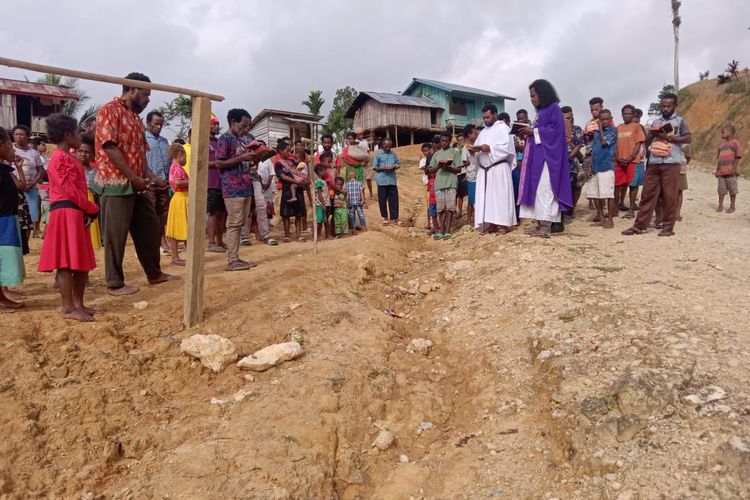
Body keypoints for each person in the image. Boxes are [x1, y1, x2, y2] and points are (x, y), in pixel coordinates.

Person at [93, 72, 175, 295]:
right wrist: (133, 178)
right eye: (146, 94)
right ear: (132, 90)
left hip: (137, 184)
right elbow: (110, 148)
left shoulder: (136, 119)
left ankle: (154, 273)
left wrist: (153, 179)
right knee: (116, 236)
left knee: (151, 227)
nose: (148, 99)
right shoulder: (109, 110)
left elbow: (139, 156)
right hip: (115, 184)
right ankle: (114, 283)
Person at [38, 114, 99, 322]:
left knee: (80, 261)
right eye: (75, 132)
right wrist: (91, 207)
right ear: (67, 135)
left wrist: (86, 210)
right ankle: (67, 307)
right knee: (66, 262)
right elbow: (70, 191)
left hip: (76, 212)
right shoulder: (59, 158)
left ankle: (79, 303)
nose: (79, 136)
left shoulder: (68, 158)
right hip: (66, 212)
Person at [623, 92, 692, 237]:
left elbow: (688, 138)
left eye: (669, 106)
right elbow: (647, 141)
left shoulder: (680, 121)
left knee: (669, 196)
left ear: (675, 106)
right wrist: (651, 135)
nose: (666, 109)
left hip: (671, 163)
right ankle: (639, 226)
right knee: (647, 195)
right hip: (654, 162)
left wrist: (670, 138)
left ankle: (668, 227)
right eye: (663, 106)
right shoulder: (655, 122)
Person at [518, 80, 572, 237]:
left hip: (548, 159)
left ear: (542, 93)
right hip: (538, 157)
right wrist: (527, 131)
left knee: (545, 190)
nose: (532, 99)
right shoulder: (541, 111)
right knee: (539, 190)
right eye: (530, 96)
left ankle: (546, 226)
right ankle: (541, 223)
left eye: (534, 95)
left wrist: (533, 131)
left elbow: (555, 132)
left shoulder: (554, 109)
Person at [215, 108, 259, 270]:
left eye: (248, 126)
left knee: (239, 223)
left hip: (245, 186)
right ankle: (232, 260)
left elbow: (244, 161)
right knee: (234, 223)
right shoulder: (224, 139)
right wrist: (242, 157)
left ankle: (236, 258)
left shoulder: (241, 140)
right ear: (233, 122)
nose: (246, 129)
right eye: (243, 126)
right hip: (232, 188)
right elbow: (219, 163)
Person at [472, 105, 517, 235]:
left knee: (500, 197)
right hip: (484, 170)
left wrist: (491, 148)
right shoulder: (483, 132)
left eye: (488, 117)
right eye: (484, 118)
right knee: (488, 198)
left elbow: (508, 149)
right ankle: (491, 224)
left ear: (495, 115)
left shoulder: (504, 129)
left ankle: (503, 225)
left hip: (498, 168)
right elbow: (478, 148)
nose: (485, 120)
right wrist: (473, 151)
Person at [0, 127, 26, 312]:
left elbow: (20, 186)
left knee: (6, 258)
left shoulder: (4, 169)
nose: (13, 148)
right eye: (9, 144)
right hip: (2, 220)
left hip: (8, 218)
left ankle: (2, 296)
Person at [143, 110, 171, 254]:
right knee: (150, 216)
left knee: (162, 215)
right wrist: (154, 179)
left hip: (164, 184)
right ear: (148, 123)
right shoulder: (142, 139)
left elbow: (170, 161)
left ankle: (162, 241)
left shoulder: (165, 141)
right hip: (149, 184)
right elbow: (142, 164)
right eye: (156, 124)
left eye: (161, 124)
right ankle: (148, 245)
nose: (159, 127)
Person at [585, 109, 618, 229]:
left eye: (606, 119)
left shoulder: (613, 131)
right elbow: (592, 150)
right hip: (595, 167)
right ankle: (602, 218)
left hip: (606, 166)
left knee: (608, 194)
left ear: (610, 119)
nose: (604, 121)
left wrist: (599, 129)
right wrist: (589, 166)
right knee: (595, 194)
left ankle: (610, 220)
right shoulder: (596, 134)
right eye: (602, 119)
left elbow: (605, 143)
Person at [12, 125, 44, 239]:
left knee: (31, 214)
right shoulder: (10, 149)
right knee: (16, 215)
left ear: (27, 136)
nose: (19, 137)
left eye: (22, 134)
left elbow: (40, 169)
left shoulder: (33, 153)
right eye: (16, 134)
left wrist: (33, 182)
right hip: (14, 188)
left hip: (31, 188)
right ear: (13, 136)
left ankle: (26, 242)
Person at [428, 131, 462, 239]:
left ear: (450, 141)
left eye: (446, 141)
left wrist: (448, 167)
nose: (444, 143)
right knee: (441, 209)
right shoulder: (436, 154)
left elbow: (459, 169)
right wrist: (438, 167)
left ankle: (447, 230)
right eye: (442, 141)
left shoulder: (455, 152)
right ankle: (440, 230)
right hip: (439, 183)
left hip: (451, 182)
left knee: (450, 208)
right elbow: (430, 169)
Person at [615, 105, 646, 218]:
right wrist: (617, 157)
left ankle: (631, 209)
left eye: (629, 114)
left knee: (633, 185)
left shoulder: (636, 126)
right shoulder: (618, 127)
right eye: (625, 113)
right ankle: (615, 208)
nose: (627, 115)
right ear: (622, 114)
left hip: (633, 161)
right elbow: (615, 144)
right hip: (619, 161)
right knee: (617, 185)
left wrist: (631, 157)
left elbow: (639, 143)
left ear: (633, 115)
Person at [275, 140, 307, 242]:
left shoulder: (294, 162)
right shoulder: (278, 164)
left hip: (298, 190)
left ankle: (298, 235)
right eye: (287, 150)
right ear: (280, 151)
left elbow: (301, 172)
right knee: (286, 214)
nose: (289, 153)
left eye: (290, 150)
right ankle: (287, 234)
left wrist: (303, 181)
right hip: (287, 190)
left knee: (298, 214)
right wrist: (296, 181)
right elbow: (283, 176)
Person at [76, 133, 102, 250]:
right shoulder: (72, 170)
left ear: (92, 155)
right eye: (80, 151)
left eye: (87, 152)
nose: (83, 154)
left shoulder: (97, 173)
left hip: (92, 205)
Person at [206, 114, 227, 252]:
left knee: (223, 213)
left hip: (222, 183)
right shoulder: (203, 141)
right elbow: (203, 162)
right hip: (211, 183)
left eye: (217, 124)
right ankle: (211, 242)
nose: (216, 126)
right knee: (213, 213)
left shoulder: (218, 142)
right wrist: (218, 163)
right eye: (213, 124)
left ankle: (220, 240)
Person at [166, 143, 188, 266]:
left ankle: (175, 256)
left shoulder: (173, 167)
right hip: (181, 198)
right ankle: (183, 255)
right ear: (180, 154)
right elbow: (178, 182)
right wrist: (191, 181)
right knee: (185, 227)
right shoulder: (177, 168)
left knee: (175, 228)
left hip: (178, 199)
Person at [372, 137, 403, 226]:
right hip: (382, 180)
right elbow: (375, 167)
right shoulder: (378, 154)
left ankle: (395, 218)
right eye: (386, 146)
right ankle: (385, 218)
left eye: (390, 146)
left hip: (392, 180)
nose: (388, 148)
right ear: (382, 146)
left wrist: (394, 166)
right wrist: (384, 168)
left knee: (394, 200)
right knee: (382, 200)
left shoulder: (393, 154)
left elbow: (398, 164)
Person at [560, 106, 584, 220]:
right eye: (564, 118)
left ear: (572, 116)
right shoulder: (557, 129)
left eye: (568, 118)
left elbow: (578, 145)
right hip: (558, 164)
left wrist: (568, 157)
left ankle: (570, 211)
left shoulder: (577, 129)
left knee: (572, 187)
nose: (566, 120)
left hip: (571, 164)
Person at [715, 124, 743, 213]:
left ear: (730, 133)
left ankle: (732, 206)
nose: (721, 134)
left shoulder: (735, 143)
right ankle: (720, 206)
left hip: (731, 171)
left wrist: (734, 169)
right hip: (721, 172)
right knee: (721, 190)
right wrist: (717, 170)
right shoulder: (721, 145)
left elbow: (738, 156)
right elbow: (719, 159)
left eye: (723, 132)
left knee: (732, 189)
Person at [628, 109, 648, 214]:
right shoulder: (628, 128)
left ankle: (632, 205)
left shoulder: (640, 128)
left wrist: (643, 152)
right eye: (635, 117)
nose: (636, 119)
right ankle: (624, 203)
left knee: (635, 183)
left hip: (638, 159)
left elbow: (643, 142)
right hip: (629, 158)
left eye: (638, 117)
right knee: (629, 183)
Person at [463, 124, 480, 228]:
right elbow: (464, 163)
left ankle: (477, 219)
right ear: (469, 135)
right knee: (471, 199)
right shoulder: (465, 149)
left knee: (479, 198)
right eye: (474, 133)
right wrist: (471, 157)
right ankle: (469, 220)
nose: (476, 134)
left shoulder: (478, 145)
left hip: (480, 175)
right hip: (471, 176)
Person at [418, 142, 434, 232]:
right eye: (424, 151)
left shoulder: (432, 158)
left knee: (434, 202)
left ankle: (434, 223)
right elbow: (425, 168)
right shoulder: (423, 160)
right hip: (427, 183)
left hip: (434, 182)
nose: (426, 152)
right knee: (428, 203)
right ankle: (429, 223)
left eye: (427, 150)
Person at [313, 164, 331, 240]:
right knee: (320, 221)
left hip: (325, 203)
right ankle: (318, 235)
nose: (326, 172)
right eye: (324, 171)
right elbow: (320, 194)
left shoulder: (323, 181)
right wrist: (323, 204)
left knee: (325, 220)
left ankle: (327, 235)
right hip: (320, 204)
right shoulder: (318, 182)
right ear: (319, 172)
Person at [676, 144, 692, 221]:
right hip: (669, 169)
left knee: (679, 191)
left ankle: (677, 213)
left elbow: (688, 157)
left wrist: (683, 164)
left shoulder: (686, 144)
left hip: (681, 171)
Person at [455, 132, 468, 219]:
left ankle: (469, 210)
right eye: (459, 140)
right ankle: (457, 211)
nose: (460, 142)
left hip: (465, 173)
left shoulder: (467, 149)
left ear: (465, 140)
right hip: (457, 173)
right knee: (458, 194)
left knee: (464, 194)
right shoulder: (456, 150)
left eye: (462, 140)